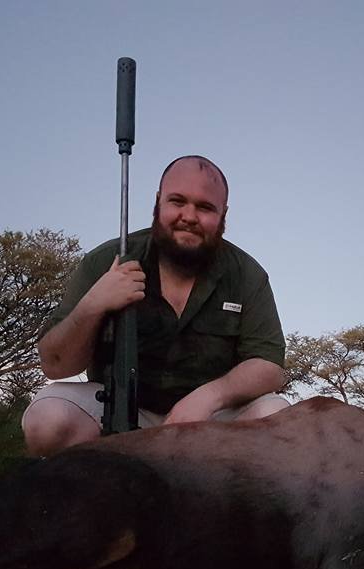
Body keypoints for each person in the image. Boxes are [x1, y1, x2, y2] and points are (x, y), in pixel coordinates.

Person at [22, 155, 289, 456]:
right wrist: (93, 304)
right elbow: (56, 365)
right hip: (119, 412)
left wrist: (209, 397)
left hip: (212, 419)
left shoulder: (247, 274)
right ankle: (96, 492)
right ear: (158, 201)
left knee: (278, 417)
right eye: (177, 201)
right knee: (46, 419)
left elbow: (269, 366)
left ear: (223, 214)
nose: (189, 216)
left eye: (204, 207)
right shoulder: (105, 261)